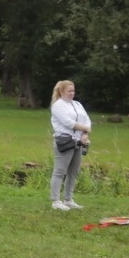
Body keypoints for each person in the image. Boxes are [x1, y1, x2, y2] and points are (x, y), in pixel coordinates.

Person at [49, 80, 92, 211]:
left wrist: (85, 133)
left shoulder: (77, 104)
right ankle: (56, 200)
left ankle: (68, 199)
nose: (72, 93)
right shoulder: (58, 105)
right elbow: (67, 122)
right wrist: (85, 128)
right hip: (65, 140)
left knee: (73, 172)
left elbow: (86, 119)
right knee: (60, 171)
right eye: (69, 91)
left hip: (78, 141)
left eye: (73, 91)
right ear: (62, 92)